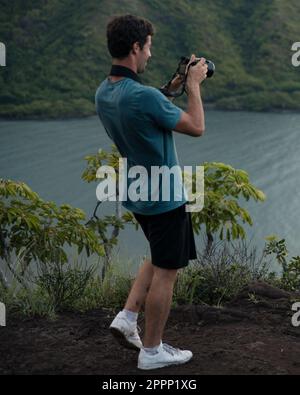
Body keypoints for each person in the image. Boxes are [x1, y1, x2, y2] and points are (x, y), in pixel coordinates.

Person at [95, 14, 208, 370]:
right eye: (148, 48)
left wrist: (172, 84)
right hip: (164, 194)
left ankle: (128, 318)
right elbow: (196, 127)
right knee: (167, 270)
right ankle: (153, 350)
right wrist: (193, 84)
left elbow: (146, 106)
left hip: (138, 191)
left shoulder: (106, 92)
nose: (150, 55)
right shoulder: (142, 96)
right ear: (135, 47)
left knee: (158, 254)